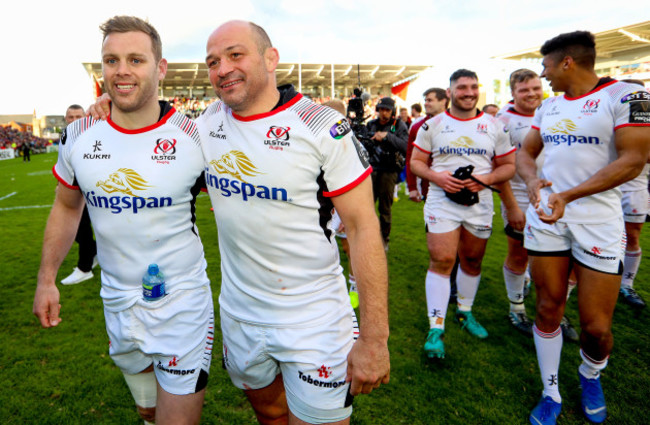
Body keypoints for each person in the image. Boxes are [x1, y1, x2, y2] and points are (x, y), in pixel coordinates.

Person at [197, 20, 389, 425]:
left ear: (271, 59)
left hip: (313, 317)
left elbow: (361, 226)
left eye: (235, 55)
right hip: (240, 313)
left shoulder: (321, 126)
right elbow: (143, 130)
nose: (222, 69)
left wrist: (375, 337)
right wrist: (105, 108)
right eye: (213, 61)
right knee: (269, 413)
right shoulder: (206, 123)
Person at [33, 16, 213, 425]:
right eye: (112, 61)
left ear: (160, 67)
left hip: (182, 302)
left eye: (136, 59)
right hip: (116, 300)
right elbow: (66, 206)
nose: (123, 71)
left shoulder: (196, 135)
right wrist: (46, 280)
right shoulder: (79, 136)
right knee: (147, 409)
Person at [517, 31, 650, 425]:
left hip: (597, 222)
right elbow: (526, 153)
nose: (544, 75)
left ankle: (590, 374)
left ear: (567, 62)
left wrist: (569, 196)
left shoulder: (626, 95)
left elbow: (635, 159)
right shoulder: (550, 107)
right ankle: (551, 390)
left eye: (546, 66)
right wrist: (530, 183)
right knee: (547, 307)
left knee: (595, 327)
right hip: (547, 219)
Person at [410, 69, 516, 359]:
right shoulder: (433, 125)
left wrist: (485, 180)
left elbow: (509, 166)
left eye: (473, 87)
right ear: (450, 92)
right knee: (442, 259)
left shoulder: (495, 126)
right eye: (462, 87)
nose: (469, 92)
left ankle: (464, 312)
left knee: (472, 260)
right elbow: (416, 162)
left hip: (479, 203)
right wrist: (438, 177)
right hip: (441, 201)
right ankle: (436, 327)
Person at [324, 99, 359, 308]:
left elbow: (356, 182)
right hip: (322, 206)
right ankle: (329, 290)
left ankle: (354, 289)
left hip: (343, 206)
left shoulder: (350, 142)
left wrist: (347, 212)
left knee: (350, 248)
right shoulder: (316, 138)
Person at [618, 79, 650, 309]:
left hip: (635, 187)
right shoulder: (611, 113)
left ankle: (626, 284)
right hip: (604, 187)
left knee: (632, 237)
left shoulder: (645, 118)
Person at [60, 104, 99, 285]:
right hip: (75, 189)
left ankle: (85, 268)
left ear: (86, 117)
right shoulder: (65, 137)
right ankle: (95, 253)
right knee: (76, 229)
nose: (74, 121)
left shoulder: (95, 134)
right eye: (70, 117)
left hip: (94, 190)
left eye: (78, 117)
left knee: (82, 228)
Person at [364, 97, 408, 249]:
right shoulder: (371, 124)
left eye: (387, 110)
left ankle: (384, 239)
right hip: (371, 169)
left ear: (393, 111)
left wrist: (386, 136)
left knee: (385, 208)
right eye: (381, 109)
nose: (384, 113)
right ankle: (368, 237)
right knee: (367, 207)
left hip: (389, 171)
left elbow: (406, 146)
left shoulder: (398, 125)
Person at [405, 87, 448, 203]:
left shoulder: (459, 123)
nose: (426, 104)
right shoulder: (417, 128)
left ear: (443, 101)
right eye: (425, 100)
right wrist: (412, 187)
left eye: (430, 100)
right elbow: (410, 158)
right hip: (429, 186)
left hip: (457, 183)